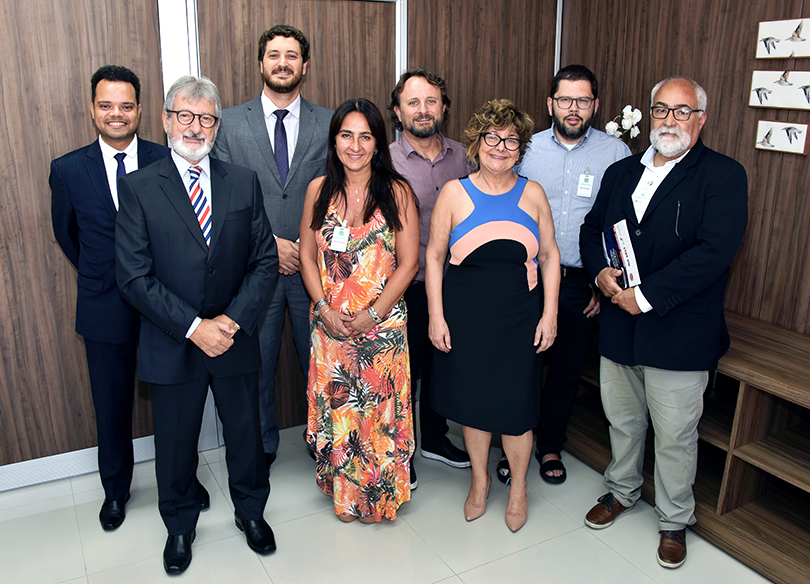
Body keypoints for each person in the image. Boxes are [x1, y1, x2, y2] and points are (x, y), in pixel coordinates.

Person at [579, 77, 748, 569]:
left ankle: (675, 520)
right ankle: (621, 490)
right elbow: (593, 230)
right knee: (624, 421)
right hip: (618, 326)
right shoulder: (621, 171)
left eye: (681, 111)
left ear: (701, 119)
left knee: (675, 432)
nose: (669, 120)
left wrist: (645, 296)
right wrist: (600, 275)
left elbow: (714, 253)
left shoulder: (722, 175)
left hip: (678, 328)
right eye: (660, 109)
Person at [116, 75, 279, 574]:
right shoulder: (140, 187)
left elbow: (265, 261)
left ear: (217, 126)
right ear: (165, 121)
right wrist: (194, 327)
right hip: (173, 341)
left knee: (246, 436)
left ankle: (251, 513)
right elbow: (134, 276)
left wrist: (228, 321)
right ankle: (180, 525)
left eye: (206, 118)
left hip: (233, 337)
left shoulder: (242, 181)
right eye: (184, 115)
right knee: (176, 443)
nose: (195, 126)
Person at [50, 65, 209, 532]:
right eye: (105, 105)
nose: (116, 114)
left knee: (176, 403)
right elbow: (68, 236)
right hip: (103, 306)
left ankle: (182, 481)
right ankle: (116, 490)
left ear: (141, 110)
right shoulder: (67, 169)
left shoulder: (170, 158)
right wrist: (111, 274)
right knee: (111, 403)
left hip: (166, 304)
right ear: (92, 109)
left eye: (125, 106)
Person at [426, 99, 560, 532]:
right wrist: (436, 315)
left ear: (521, 148)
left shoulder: (533, 193)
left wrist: (551, 314)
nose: (500, 147)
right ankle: (480, 483)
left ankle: (518, 488)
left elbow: (551, 256)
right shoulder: (454, 193)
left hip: (521, 316)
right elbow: (433, 257)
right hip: (466, 316)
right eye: (492, 137)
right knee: (475, 404)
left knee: (518, 407)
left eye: (511, 140)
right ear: (476, 142)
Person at [500, 65, 631, 485]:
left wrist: (602, 280)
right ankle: (513, 444)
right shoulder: (525, 150)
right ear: (550, 103)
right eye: (565, 100)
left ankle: (550, 444)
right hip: (525, 278)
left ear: (595, 105)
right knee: (520, 367)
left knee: (565, 370)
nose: (573, 109)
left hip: (581, 283)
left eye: (583, 100)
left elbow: (621, 224)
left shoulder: (616, 155)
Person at [211, 25, 332, 469]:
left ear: (304, 65)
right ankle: (259, 447)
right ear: (261, 63)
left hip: (314, 267)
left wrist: (303, 245)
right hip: (255, 267)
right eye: (275, 54)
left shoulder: (329, 122)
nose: (283, 62)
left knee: (320, 363)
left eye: (293, 55)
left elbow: (339, 190)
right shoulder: (228, 121)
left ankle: (326, 444)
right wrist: (272, 244)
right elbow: (221, 196)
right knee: (255, 367)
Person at [300, 98, 419, 523]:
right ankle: (346, 494)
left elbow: (408, 264)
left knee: (377, 414)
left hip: (381, 330)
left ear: (377, 143)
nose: (355, 145)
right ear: (334, 141)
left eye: (365, 136)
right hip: (330, 330)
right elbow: (309, 257)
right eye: (346, 135)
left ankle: (378, 496)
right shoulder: (318, 190)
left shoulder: (397, 191)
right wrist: (323, 308)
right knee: (342, 412)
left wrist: (374, 312)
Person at [388, 67, 472, 484]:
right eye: (413, 102)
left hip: (456, 284)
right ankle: (401, 453)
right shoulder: (383, 159)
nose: (423, 110)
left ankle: (435, 438)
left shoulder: (466, 156)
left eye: (431, 101)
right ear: (398, 111)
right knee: (406, 370)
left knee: (444, 365)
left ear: (444, 108)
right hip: (405, 286)